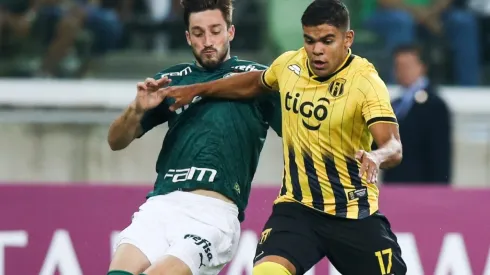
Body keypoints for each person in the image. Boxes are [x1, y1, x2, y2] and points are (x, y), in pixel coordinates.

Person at [163, 0, 407, 274]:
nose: (316, 50)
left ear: (347, 38)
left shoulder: (366, 83)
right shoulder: (290, 65)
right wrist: (199, 89)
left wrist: (377, 155)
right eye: (310, 40)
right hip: (297, 210)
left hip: (353, 214)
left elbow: (393, 145)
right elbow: (255, 82)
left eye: (327, 41)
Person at [106, 0, 281, 274]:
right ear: (188, 37)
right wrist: (136, 108)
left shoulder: (258, 80)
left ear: (230, 32)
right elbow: (116, 141)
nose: (208, 41)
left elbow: (297, 132)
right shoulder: (172, 80)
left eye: (215, 31)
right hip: (161, 205)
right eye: (198, 33)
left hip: (212, 216)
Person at [383, 44, 451, 184]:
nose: (403, 71)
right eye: (398, 66)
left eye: (407, 66)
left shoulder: (434, 104)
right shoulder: (394, 104)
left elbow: (440, 156)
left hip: (422, 189)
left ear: (422, 67)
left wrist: (440, 194)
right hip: (395, 186)